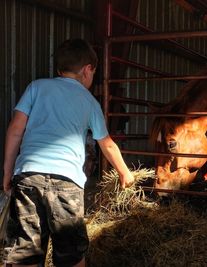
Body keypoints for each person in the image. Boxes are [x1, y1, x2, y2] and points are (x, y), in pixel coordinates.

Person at [2, 39, 134, 267]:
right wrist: (124, 173)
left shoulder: (37, 87)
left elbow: (15, 130)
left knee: (25, 250)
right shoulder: (90, 102)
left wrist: (7, 172)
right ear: (88, 70)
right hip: (66, 182)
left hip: (27, 177)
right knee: (71, 253)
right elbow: (107, 144)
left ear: (59, 70)